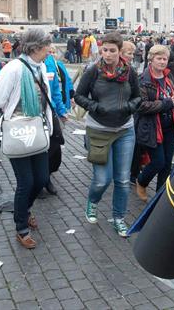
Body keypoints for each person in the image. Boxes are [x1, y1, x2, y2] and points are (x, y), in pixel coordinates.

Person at [0, 29, 54, 249]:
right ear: (36, 47)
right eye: (47, 45)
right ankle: (21, 227)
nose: (50, 49)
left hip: (37, 129)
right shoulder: (13, 69)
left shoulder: (42, 66)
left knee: (41, 178)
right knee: (26, 182)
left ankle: (24, 210)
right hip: (18, 131)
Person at [74, 31, 141, 237]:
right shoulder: (93, 71)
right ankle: (92, 202)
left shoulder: (130, 72)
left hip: (125, 130)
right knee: (103, 179)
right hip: (99, 130)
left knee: (121, 180)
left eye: (113, 51)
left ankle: (119, 218)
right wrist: (95, 107)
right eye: (105, 50)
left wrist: (128, 107)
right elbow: (78, 95)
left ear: (120, 52)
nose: (108, 55)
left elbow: (139, 98)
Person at [133, 45, 174, 202]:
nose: (162, 62)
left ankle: (160, 198)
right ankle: (141, 181)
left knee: (167, 164)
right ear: (151, 59)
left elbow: (173, 97)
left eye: (165, 59)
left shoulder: (168, 78)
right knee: (158, 162)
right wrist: (167, 103)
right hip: (152, 127)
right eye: (159, 58)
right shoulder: (143, 80)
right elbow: (141, 105)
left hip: (170, 126)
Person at [42, 44, 73, 195]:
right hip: (37, 113)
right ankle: (43, 179)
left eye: (54, 52)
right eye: (49, 51)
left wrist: (62, 109)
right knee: (44, 147)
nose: (52, 54)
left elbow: (57, 90)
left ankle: (46, 175)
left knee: (54, 145)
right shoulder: (30, 65)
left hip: (52, 110)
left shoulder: (55, 65)